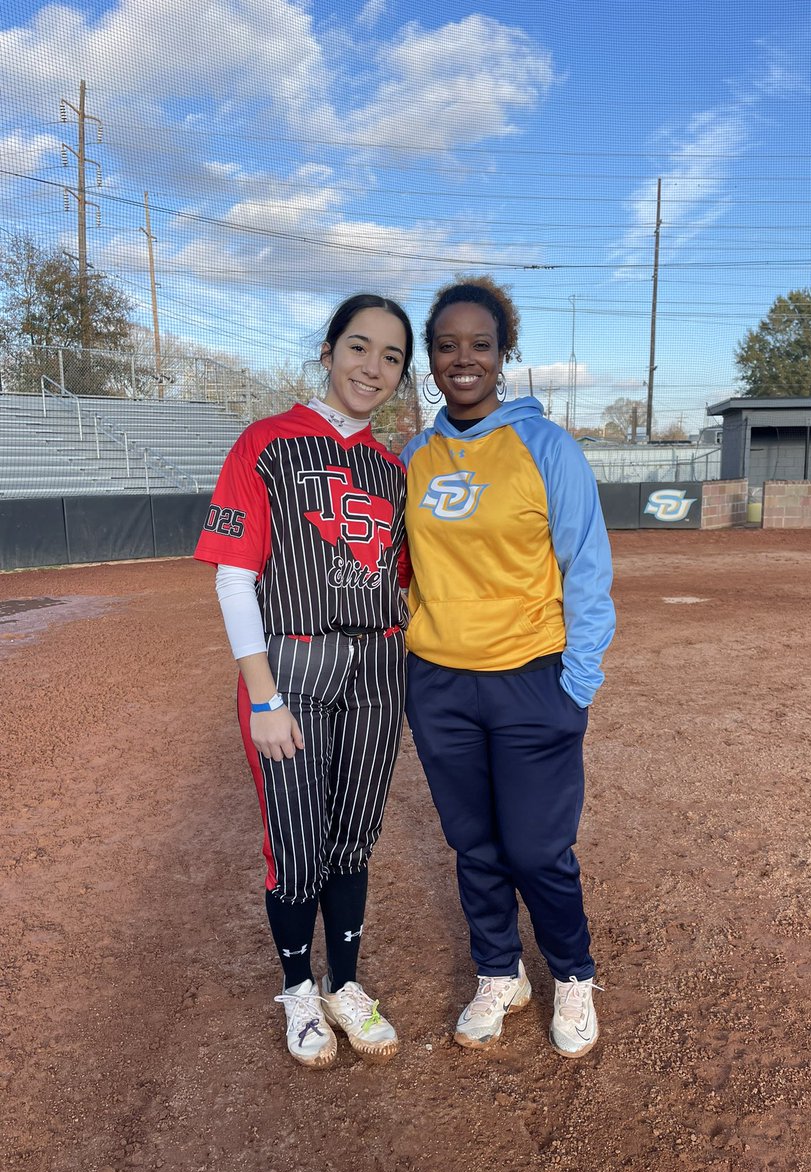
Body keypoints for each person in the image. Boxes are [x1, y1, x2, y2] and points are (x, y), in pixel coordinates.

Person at [195, 294, 414, 1069]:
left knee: (353, 840)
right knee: (296, 844)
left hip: (379, 669)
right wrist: (261, 697)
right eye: (360, 347)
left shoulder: (393, 469)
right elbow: (232, 578)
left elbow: (407, 580)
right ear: (328, 350)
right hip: (291, 662)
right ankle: (297, 988)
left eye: (391, 357)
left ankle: (345, 984)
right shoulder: (265, 442)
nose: (373, 367)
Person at [401, 276, 615, 1059]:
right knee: (475, 845)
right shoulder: (414, 458)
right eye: (447, 345)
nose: (464, 359)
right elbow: (400, 569)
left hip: (532, 680)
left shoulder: (547, 447)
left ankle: (574, 974)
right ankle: (500, 972)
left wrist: (577, 683)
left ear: (503, 355)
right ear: (430, 358)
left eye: (480, 346)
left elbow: (586, 568)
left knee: (535, 849)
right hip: (440, 685)